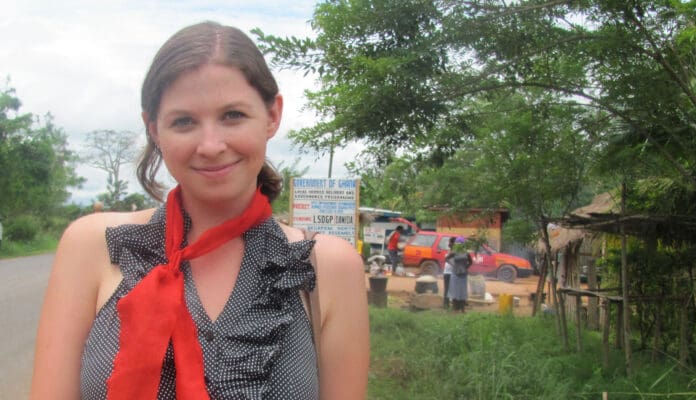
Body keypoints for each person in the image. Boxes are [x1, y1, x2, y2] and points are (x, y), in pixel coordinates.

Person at [30, 21, 369, 400]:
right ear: (154, 129)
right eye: (184, 121)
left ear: (272, 115)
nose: (210, 145)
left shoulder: (328, 267)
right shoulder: (93, 246)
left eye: (233, 115)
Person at [446, 236, 472, 312]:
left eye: (461, 243)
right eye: (458, 243)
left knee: (462, 291)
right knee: (455, 291)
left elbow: (471, 262)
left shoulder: (466, 252)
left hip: (463, 274)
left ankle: (462, 309)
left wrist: (466, 267)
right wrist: (453, 264)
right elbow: (447, 259)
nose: (459, 245)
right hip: (455, 273)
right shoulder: (454, 251)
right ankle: (455, 309)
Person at [442, 236, 456, 309]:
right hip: (447, 272)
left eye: (450, 242)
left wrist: (453, 265)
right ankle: (446, 304)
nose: (448, 243)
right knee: (447, 289)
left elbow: (447, 259)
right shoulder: (451, 250)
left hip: (451, 272)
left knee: (449, 289)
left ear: (453, 243)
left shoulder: (454, 250)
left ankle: (447, 304)